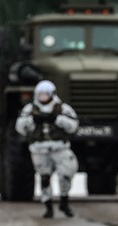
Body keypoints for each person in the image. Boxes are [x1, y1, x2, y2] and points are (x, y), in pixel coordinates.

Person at [15, 80, 79, 218]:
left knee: (67, 172)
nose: (43, 97)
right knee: (44, 177)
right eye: (40, 95)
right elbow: (19, 127)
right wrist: (33, 121)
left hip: (60, 147)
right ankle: (48, 205)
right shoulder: (30, 109)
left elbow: (73, 125)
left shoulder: (62, 108)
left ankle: (64, 199)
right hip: (39, 148)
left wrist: (57, 120)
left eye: (45, 94)